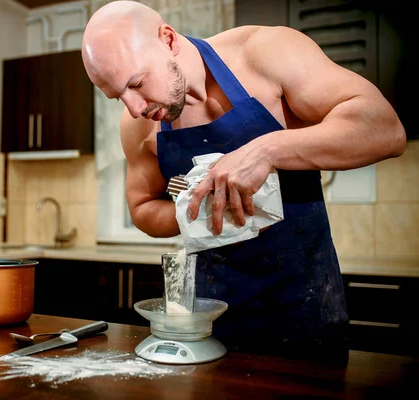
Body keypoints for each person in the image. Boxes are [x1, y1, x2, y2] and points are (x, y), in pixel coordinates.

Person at [81, 1, 406, 360]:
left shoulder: (267, 53)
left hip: (306, 311)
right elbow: (142, 208)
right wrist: (199, 207)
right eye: (117, 97)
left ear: (169, 40)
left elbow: (385, 130)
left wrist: (266, 151)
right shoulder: (138, 126)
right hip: (208, 320)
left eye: (137, 84)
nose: (134, 108)